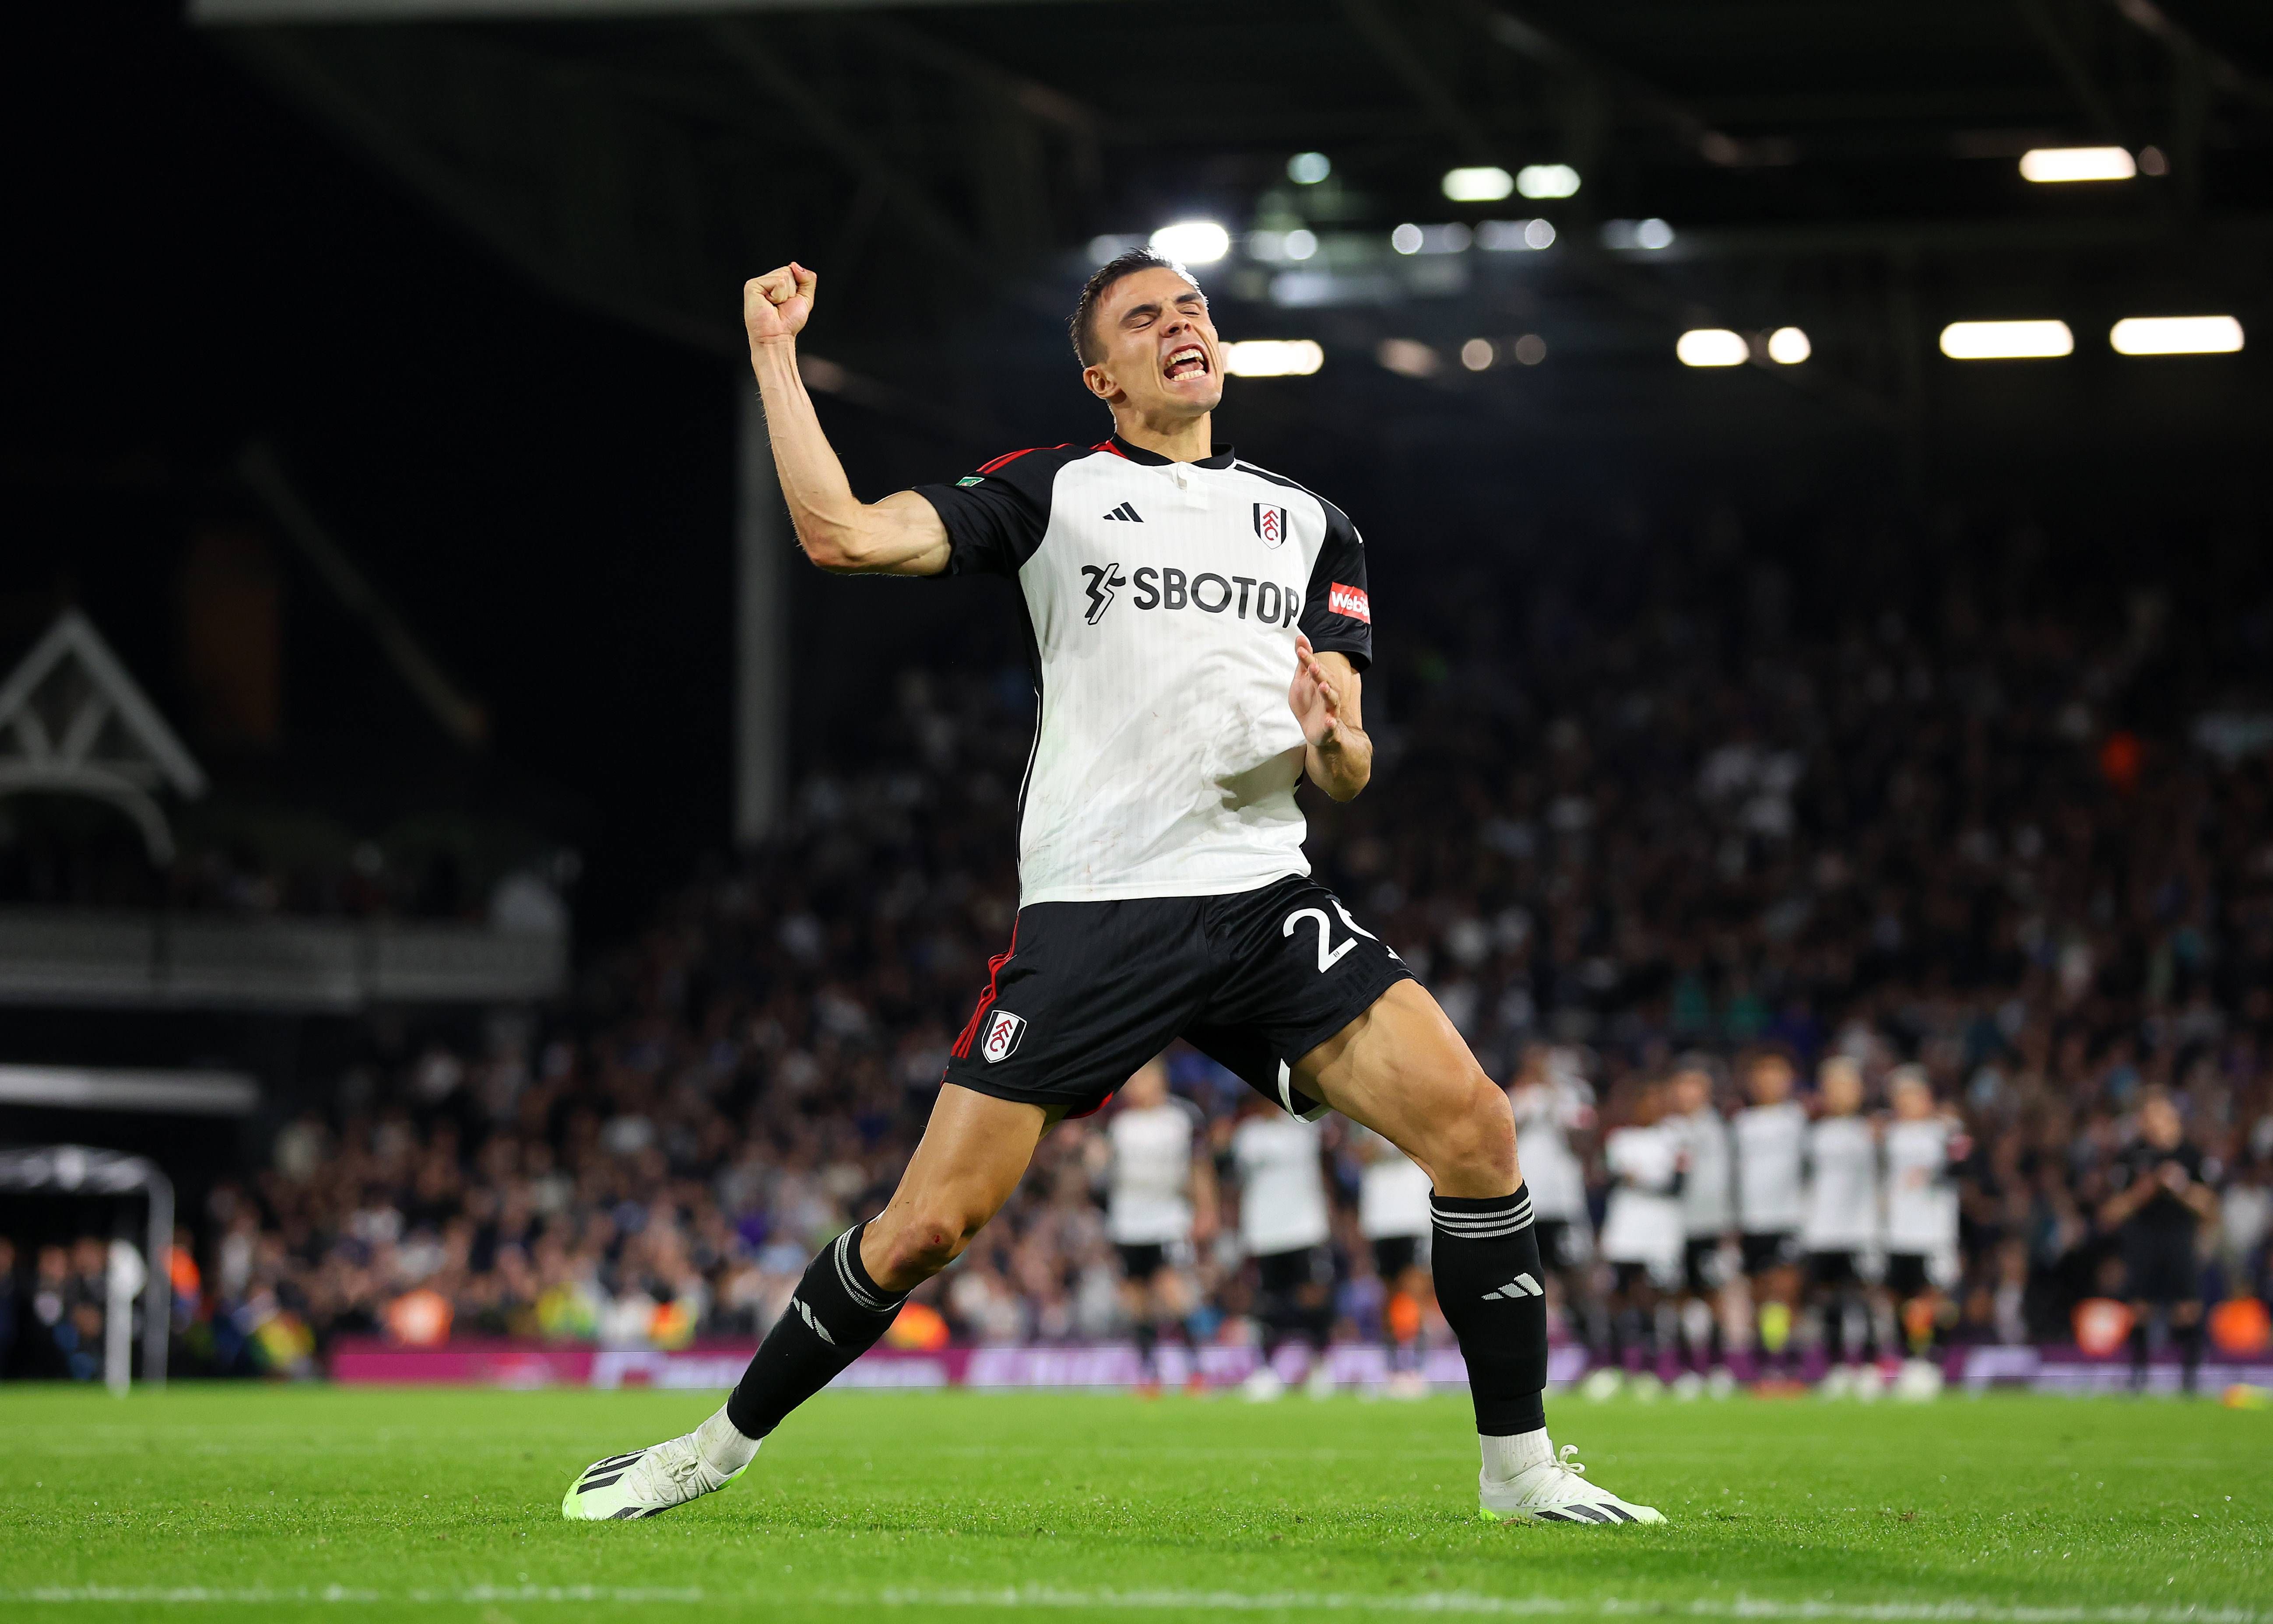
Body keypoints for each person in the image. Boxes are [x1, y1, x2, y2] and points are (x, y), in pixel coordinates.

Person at [561, 251, 1659, 1525]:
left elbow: (1348, 767)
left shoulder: (1314, 523)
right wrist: (772, 353)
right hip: (1098, 911)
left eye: (1193, 308)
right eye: (1146, 318)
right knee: (926, 1228)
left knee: (1476, 1129)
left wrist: (1333, 742)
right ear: (1104, 379)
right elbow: (838, 532)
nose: (1182, 324)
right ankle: (708, 1451)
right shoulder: (1055, 493)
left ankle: (1518, 1473)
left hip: (1259, 895)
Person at [1101, 1056, 1215, 1392]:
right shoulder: (1119, 1124)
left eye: (1141, 1080)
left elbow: (1199, 1166)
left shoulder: (1181, 1119)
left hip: (1168, 1220)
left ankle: (1196, 1370)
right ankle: (1149, 1373)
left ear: (1159, 1081)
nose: (1134, 1088)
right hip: (1127, 1222)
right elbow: (1106, 1172)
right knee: (1135, 1300)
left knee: (1171, 1289)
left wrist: (1206, 1209)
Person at [2100, 1088, 2217, 1395]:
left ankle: (2190, 1380)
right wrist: (2147, 1189)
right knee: (2140, 1307)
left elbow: (2209, 1206)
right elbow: (2111, 1211)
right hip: (2143, 1237)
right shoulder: (2132, 1156)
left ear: (2171, 1116)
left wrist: (2180, 1187)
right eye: (2146, 1115)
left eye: (2157, 1114)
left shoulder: (2191, 1155)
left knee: (2187, 1307)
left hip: (2180, 1236)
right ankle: (2138, 1377)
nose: (2150, 1122)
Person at [1230, 1098, 1335, 1400]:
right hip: (1264, 1231)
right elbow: (1236, 1186)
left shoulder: (1307, 1127)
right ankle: (1267, 1371)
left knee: (1313, 1297)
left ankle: (1319, 1366)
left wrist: (1329, 1215)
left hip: (1305, 1226)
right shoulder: (1247, 1136)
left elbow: (1325, 1172)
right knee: (1266, 1303)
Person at [1506, 1046, 1599, 1357]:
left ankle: (1588, 1342)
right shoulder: (1513, 1099)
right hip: (1525, 1200)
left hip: (1563, 1201)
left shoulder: (1573, 1095)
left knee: (1573, 1271)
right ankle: (1533, 1340)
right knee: (1526, 1271)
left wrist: (1559, 1107)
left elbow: (1585, 1143)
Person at [1879, 1065, 1964, 1382]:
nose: (1906, 1102)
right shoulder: (1886, 1135)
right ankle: (1909, 1360)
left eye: (1912, 1095)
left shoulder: (1945, 1132)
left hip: (1934, 1231)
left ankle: (1932, 1361)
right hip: (1895, 1231)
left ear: (1927, 1097)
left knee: (1932, 1298)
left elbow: (1966, 1165)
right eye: (1900, 1096)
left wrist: (1934, 1173)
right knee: (1900, 1300)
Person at [1801, 1057, 1880, 1395]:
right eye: (1832, 1087)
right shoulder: (1812, 1134)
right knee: (1827, 1301)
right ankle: (1835, 1367)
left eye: (1845, 1087)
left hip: (1861, 1229)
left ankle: (1871, 1367)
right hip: (1821, 1229)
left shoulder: (1874, 1131)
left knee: (1863, 1299)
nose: (1839, 1094)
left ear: (1859, 1091)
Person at [1598, 1081, 1684, 1379]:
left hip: (1660, 1231)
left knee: (1654, 1297)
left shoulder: (1674, 1138)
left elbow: (1678, 1184)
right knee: (1618, 1295)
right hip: (1625, 1228)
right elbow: (1609, 1179)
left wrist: (1640, 1180)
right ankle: (1614, 1366)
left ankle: (1653, 1368)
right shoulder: (1619, 1139)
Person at [1732, 1048, 1807, 1377]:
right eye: (1763, 1077)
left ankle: (1786, 1363)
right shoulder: (1741, 1124)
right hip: (1750, 1220)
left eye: (1776, 1076)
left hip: (1788, 1218)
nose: (1769, 1083)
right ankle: (1763, 1364)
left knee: (1785, 1291)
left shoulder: (1800, 1120)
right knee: (1758, 1295)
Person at [1665, 1059, 1735, 1393]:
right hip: (1673, 1228)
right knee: (1680, 1296)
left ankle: (1718, 1367)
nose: (1687, 1093)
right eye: (1682, 1086)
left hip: (1708, 1225)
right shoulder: (1668, 1129)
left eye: (1693, 1086)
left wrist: (1728, 1222)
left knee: (1712, 1295)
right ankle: (1686, 1369)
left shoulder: (1718, 1129)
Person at [1352, 1122, 1435, 1397]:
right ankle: (1392, 1368)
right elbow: (1358, 1153)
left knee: (1414, 1292)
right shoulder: (1363, 1113)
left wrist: (1390, 1140)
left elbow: (1423, 1142)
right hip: (1380, 1217)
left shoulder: (1416, 1107)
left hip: (1413, 1213)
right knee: (1387, 1296)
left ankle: (1417, 1367)